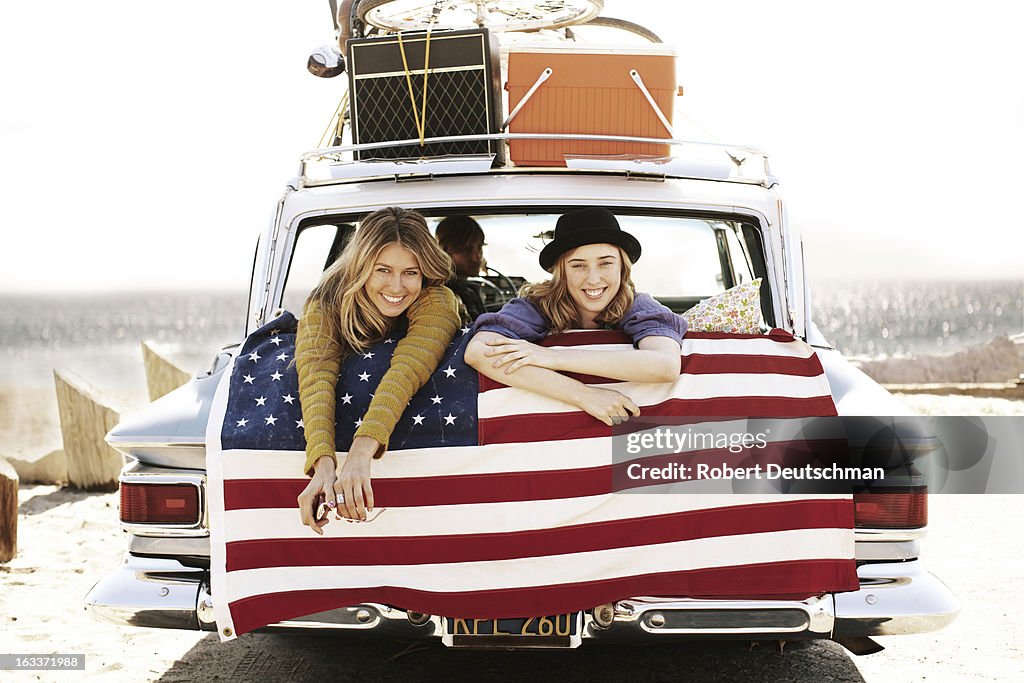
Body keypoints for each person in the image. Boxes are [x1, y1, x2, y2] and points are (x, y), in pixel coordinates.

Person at [295, 207, 460, 532]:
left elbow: (408, 369)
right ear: (360, 267)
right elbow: (316, 377)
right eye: (383, 270)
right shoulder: (326, 301)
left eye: (411, 272)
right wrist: (323, 465)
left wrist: (360, 454)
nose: (397, 286)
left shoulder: (438, 300)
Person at [465, 207, 686, 426]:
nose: (593, 279)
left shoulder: (637, 305)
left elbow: (665, 365)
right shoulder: (537, 306)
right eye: (578, 265)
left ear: (622, 268)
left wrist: (551, 357)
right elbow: (478, 352)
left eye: (605, 263)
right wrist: (584, 395)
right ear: (561, 272)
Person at [435, 215, 487, 322]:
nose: (476, 257)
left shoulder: (467, 289)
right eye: (466, 249)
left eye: (479, 247)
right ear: (445, 251)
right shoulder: (447, 294)